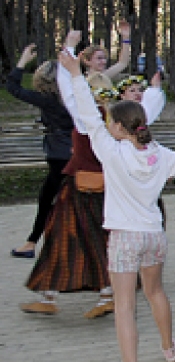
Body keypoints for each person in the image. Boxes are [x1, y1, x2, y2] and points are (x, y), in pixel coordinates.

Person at [57, 50, 175, 362]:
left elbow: (87, 115)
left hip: (125, 237)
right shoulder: (159, 153)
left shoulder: (111, 151)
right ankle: (168, 348)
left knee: (125, 307)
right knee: (155, 292)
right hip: (154, 235)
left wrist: (75, 76)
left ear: (117, 127)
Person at [22, 30, 165, 319]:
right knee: (98, 238)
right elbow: (151, 106)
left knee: (67, 237)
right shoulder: (123, 120)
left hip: (82, 187)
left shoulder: (89, 119)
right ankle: (93, 294)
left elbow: (67, 88)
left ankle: (65, 294)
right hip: (111, 188)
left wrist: (70, 48)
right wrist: (154, 89)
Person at [6, 44, 74, 259]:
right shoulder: (73, 97)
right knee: (63, 199)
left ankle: (32, 243)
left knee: (48, 200)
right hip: (75, 152)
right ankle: (35, 242)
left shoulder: (47, 100)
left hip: (59, 155)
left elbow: (13, 87)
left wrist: (22, 61)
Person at [80, 20, 133, 91]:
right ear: (87, 61)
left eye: (104, 58)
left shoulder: (105, 75)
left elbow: (123, 63)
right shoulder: (81, 80)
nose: (103, 61)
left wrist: (126, 37)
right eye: (99, 58)